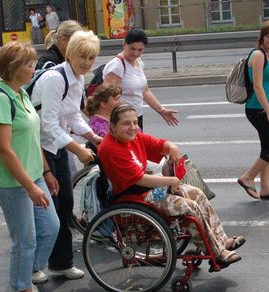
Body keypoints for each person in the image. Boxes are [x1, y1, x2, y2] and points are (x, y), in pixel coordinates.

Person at [98, 104, 245, 268]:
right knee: (189, 207)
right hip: (135, 197)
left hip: (149, 192)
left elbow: (159, 144)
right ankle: (217, 253)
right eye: (126, 123)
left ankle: (222, 241)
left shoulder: (134, 137)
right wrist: (171, 181)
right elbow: (138, 179)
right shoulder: (110, 148)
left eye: (135, 122)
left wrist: (172, 148)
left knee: (197, 194)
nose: (133, 127)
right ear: (113, 126)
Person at [0, 41, 60, 292]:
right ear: (13, 68)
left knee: (51, 227)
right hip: (12, 183)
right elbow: (5, 150)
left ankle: (25, 277)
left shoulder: (22, 95)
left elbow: (33, 138)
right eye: (28, 64)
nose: (33, 68)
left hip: (34, 177)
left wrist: (46, 172)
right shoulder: (0, 100)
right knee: (25, 239)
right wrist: (30, 186)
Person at [30, 30, 101, 281]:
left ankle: (61, 263)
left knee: (65, 207)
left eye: (91, 57)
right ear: (69, 53)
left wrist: (92, 137)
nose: (87, 62)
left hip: (56, 147)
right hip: (38, 150)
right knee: (47, 212)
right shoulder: (55, 78)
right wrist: (77, 148)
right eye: (82, 56)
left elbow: (71, 116)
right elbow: (47, 125)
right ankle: (33, 266)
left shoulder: (77, 78)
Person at [237, 20, 269, 201]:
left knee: (267, 147)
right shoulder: (258, 55)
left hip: (266, 107)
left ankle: (265, 188)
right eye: (268, 36)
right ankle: (247, 178)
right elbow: (258, 87)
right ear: (262, 37)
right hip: (256, 109)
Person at [102, 28, 178, 129]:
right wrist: (128, 115)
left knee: (139, 145)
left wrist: (161, 110)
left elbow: (145, 91)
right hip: (121, 120)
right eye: (132, 49)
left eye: (140, 50)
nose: (136, 53)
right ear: (124, 44)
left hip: (136, 117)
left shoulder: (138, 62)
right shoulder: (116, 66)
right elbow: (109, 97)